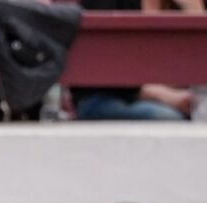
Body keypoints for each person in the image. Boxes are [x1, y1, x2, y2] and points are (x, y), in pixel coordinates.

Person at [71, 0, 200, 122]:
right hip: (103, 96)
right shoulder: (107, 3)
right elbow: (103, 66)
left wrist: (194, 10)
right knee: (169, 118)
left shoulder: (174, 5)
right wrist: (161, 95)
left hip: (166, 94)